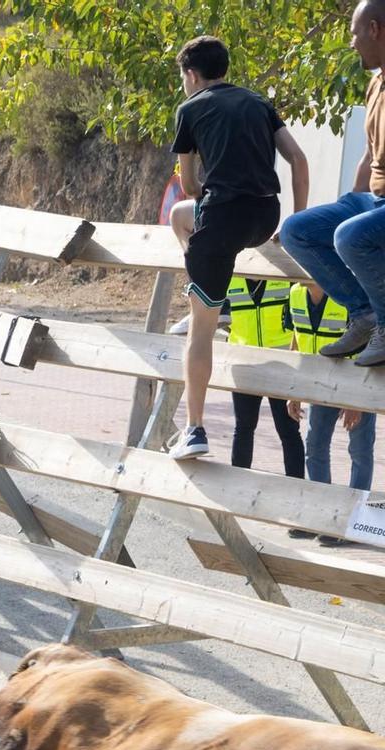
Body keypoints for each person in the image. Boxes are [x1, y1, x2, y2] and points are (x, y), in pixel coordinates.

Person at [165, 35, 309, 460]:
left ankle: (194, 429)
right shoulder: (260, 103)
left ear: (191, 75)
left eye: (183, 78)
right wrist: (296, 220)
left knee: (200, 329)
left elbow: (189, 185)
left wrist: (212, 190)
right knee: (183, 217)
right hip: (266, 217)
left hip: (223, 221)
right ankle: (213, 294)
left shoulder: (190, 109)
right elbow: (299, 160)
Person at [279, 2, 385, 367]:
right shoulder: (375, 84)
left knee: (350, 236)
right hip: (374, 200)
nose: (352, 43)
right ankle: (364, 315)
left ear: (375, 29)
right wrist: (349, 203)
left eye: (355, 34)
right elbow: (370, 154)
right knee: (296, 230)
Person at [289, 281, 376, 539]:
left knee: (359, 451)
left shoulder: (350, 295)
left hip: (355, 385)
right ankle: (321, 516)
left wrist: (356, 399)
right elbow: (297, 338)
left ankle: (353, 521)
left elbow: (369, 344)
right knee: (315, 447)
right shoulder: (294, 293)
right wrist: (293, 389)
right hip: (319, 386)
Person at [219, 277, 305, 477]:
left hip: (282, 364)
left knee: (288, 430)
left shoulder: (284, 278)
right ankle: (239, 483)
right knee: (244, 427)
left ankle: (296, 487)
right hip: (244, 362)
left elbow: (297, 322)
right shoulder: (230, 279)